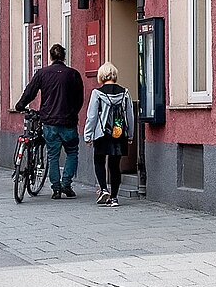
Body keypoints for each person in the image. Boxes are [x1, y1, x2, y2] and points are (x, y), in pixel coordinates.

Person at [16, 44, 84, 199]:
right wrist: (73, 112)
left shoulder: (42, 73)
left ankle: (56, 189)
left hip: (49, 121)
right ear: (64, 57)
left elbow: (30, 92)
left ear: (51, 57)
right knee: (72, 152)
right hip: (68, 121)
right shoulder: (73, 74)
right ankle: (66, 183)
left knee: (53, 155)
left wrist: (20, 105)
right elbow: (79, 99)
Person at [83, 62, 132, 207]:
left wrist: (88, 135)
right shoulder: (125, 92)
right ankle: (115, 198)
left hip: (102, 133)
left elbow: (91, 116)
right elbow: (130, 115)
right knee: (115, 165)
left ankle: (104, 189)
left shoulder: (97, 93)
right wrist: (130, 135)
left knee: (99, 160)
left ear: (101, 76)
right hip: (119, 133)